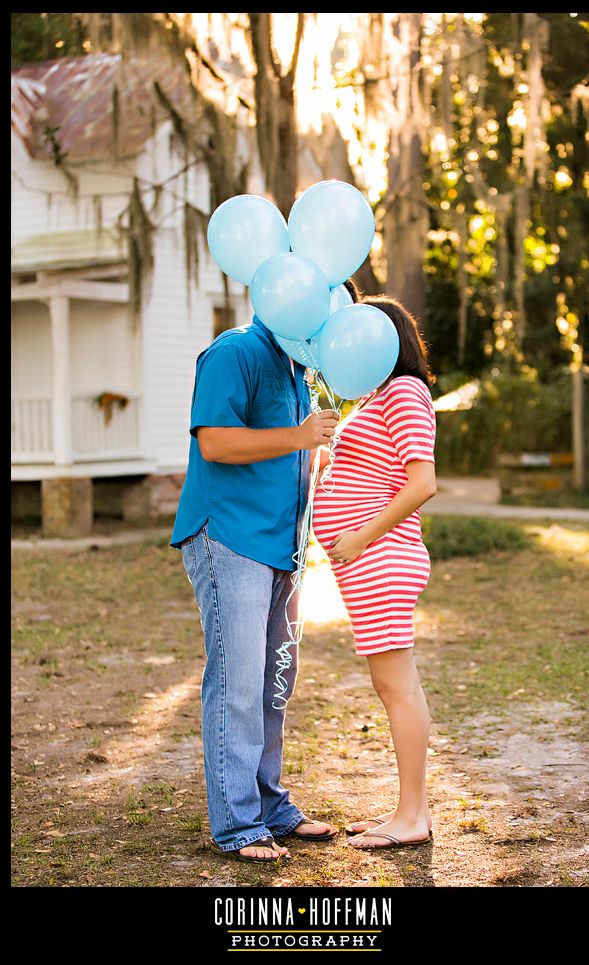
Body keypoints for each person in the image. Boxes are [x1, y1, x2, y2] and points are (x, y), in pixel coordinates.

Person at [171, 312, 339, 863]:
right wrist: (300, 434)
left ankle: (271, 806)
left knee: (274, 684)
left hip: (281, 545)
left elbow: (289, 454)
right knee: (238, 682)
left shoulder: (300, 364)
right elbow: (215, 442)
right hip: (229, 536)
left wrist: (315, 453)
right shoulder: (234, 351)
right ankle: (237, 822)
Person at [312, 294, 437, 850]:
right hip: (367, 563)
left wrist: (360, 536)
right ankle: (408, 811)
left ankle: (413, 816)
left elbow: (421, 483)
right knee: (390, 684)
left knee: (397, 685)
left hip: (382, 558)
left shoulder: (406, 392)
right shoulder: (376, 396)